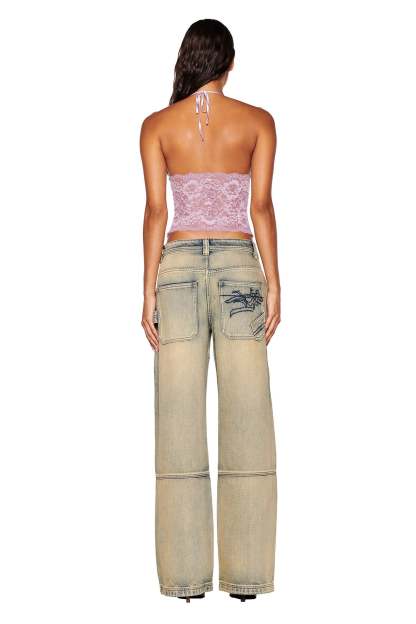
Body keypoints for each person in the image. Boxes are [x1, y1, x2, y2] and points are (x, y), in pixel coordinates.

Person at [139, 18, 281, 602]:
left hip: (175, 271)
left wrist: (147, 288)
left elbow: (156, 210)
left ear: (188, 60)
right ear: (229, 62)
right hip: (240, 269)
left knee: (177, 421)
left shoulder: (157, 125)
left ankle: (186, 583)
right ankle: (245, 580)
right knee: (249, 416)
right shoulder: (258, 121)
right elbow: (261, 206)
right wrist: (275, 281)